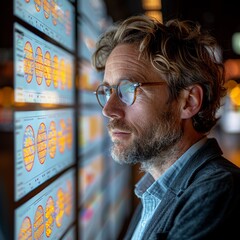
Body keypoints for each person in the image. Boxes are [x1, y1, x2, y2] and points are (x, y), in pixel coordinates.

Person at [92, 15, 240, 240]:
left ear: (188, 102)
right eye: (107, 91)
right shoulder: (153, 191)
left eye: (129, 89)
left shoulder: (217, 194)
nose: (108, 109)